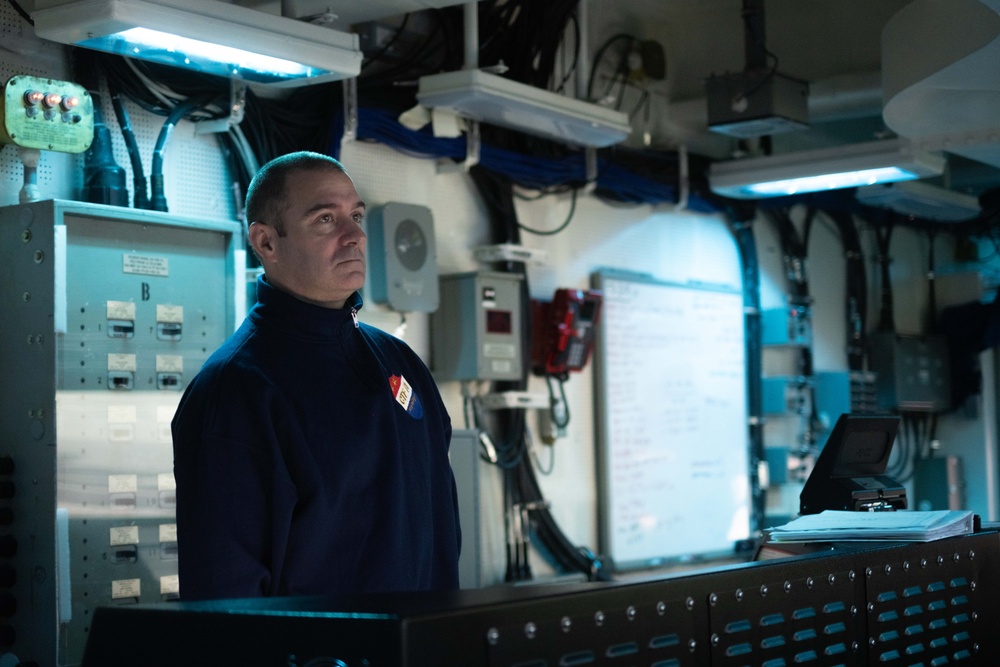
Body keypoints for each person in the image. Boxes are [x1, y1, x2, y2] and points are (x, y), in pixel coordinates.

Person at [171, 151, 461, 601]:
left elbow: (443, 535)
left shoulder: (401, 365)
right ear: (266, 242)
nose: (355, 236)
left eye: (357, 215)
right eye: (326, 219)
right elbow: (223, 595)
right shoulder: (237, 390)